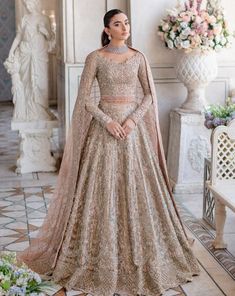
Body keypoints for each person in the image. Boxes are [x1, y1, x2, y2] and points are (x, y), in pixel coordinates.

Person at [18, 9, 200, 296]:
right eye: (118, 24)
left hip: (132, 132)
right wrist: (108, 121)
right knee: (98, 192)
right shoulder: (96, 58)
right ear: (107, 30)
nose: (124, 27)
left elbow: (150, 94)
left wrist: (132, 120)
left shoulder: (139, 57)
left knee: (138, 189)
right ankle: (93, 258)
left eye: (126, 22)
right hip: (104, 132)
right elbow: (86, 99)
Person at [4, 0, 54, 121]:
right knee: (27, 82)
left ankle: (41, 111)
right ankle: (28, 112)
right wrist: (11, 52)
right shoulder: (25, 18)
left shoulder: (45, 18)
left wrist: (45, 32)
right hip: (25, 52)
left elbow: (51, 38)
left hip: (39, 55)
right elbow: (19, 36)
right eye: (27, 5)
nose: (29, 7)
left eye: (31, 4)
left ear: (36, 4)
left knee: (40, 82)